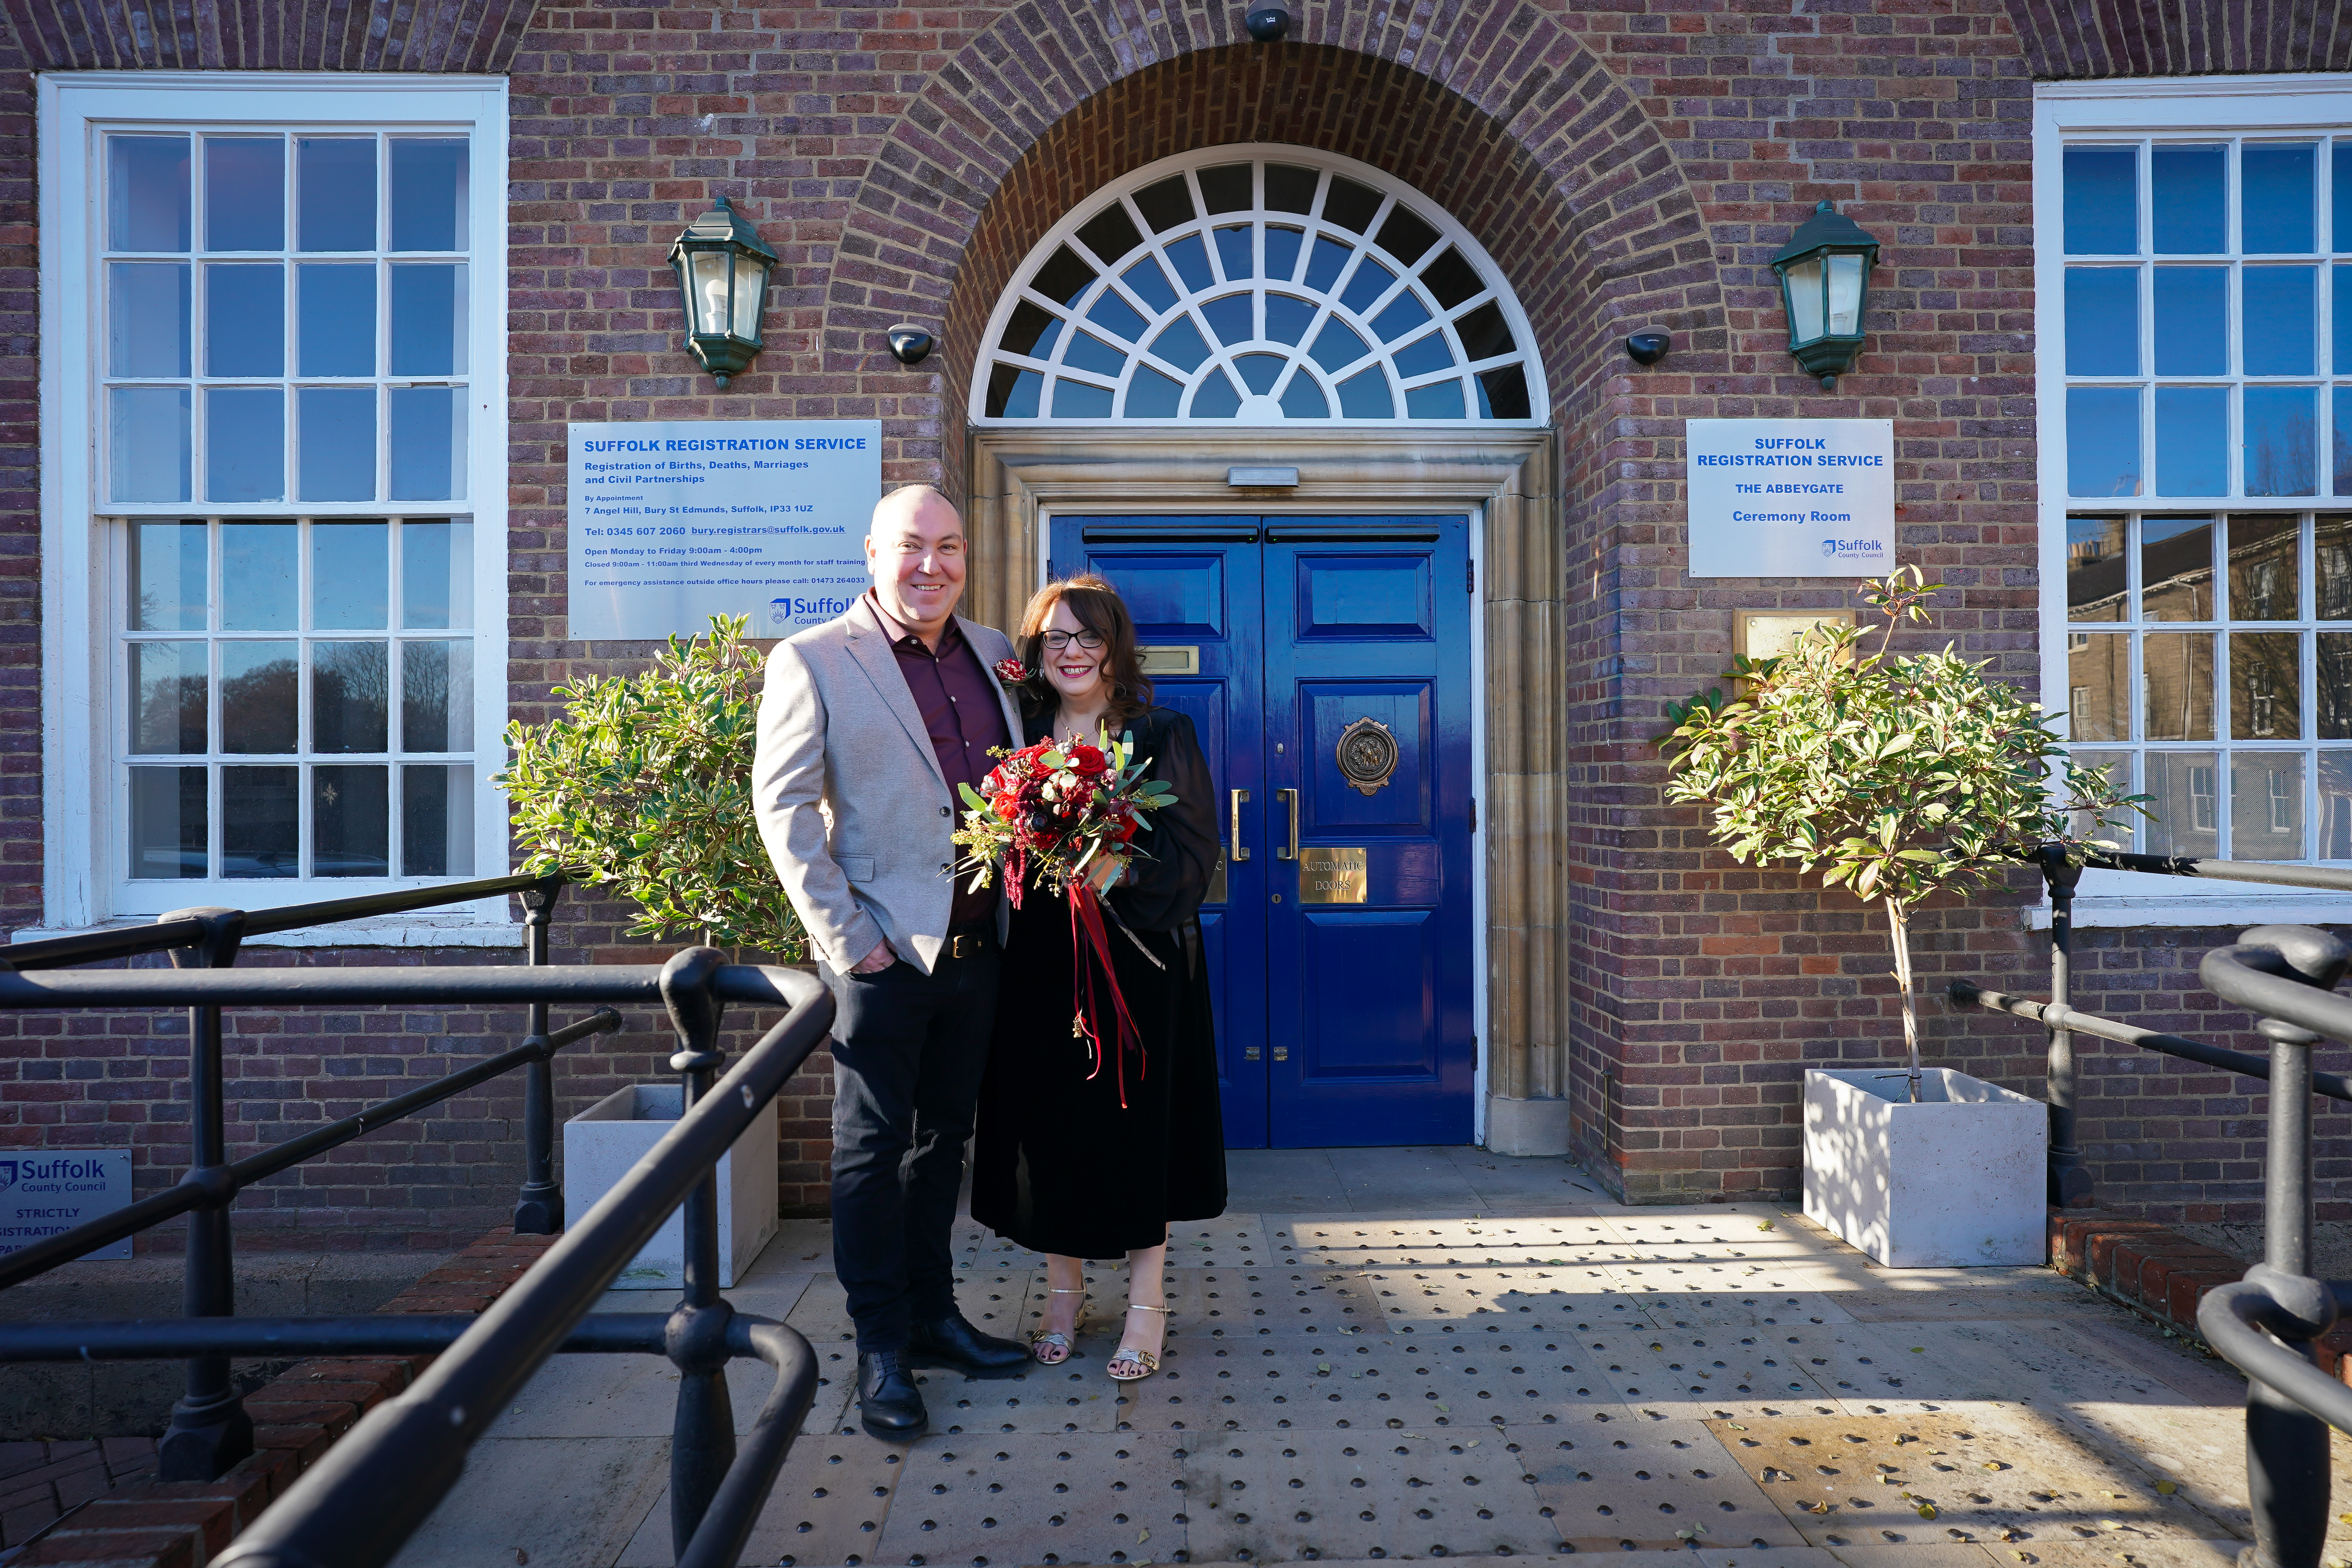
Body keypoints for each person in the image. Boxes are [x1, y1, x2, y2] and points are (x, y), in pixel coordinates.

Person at [752, 483, 1035, 1442]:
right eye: (912, 545)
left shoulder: (994, 652)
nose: (931, 565)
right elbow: (785, 810)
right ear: (872, 554)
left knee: (943, 1141)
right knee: (872, 1151)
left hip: (980, 947)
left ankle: (934, 1317)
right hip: (880, 954)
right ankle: (880, 1344)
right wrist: (850, 940)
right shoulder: (814, 658)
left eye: (949, 547)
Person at [970, 575, 1227, 1382]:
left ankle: (1147, 1304)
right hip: (1040, 961)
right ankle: (1063, 1293)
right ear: (1037, 650)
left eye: (1088, 636)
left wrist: (1122, 866)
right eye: (1056, 637)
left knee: (1136, 1124)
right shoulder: (1020, 734)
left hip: (1137, 960)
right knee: (1050, 1124)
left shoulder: (1160, 731)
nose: (1072, 651)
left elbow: (1197, 853)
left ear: (1115, 646)